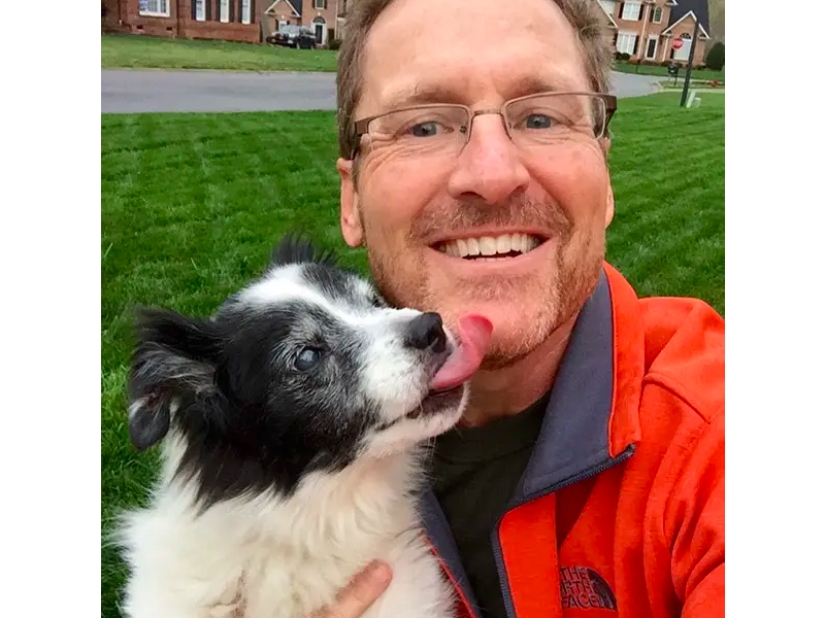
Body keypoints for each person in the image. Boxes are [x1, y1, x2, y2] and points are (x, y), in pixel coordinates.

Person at [315, 0, 724, 616]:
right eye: (423, 125)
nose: (493, 172)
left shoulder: (719, 439)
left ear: (605, 178)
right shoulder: (268, 438)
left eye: (541, 117)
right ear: (351, 200)